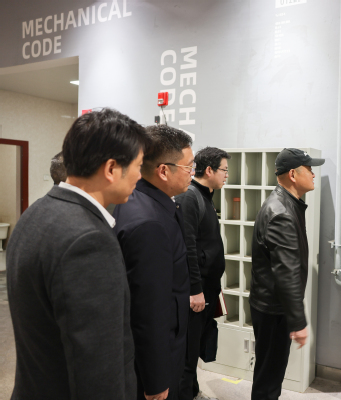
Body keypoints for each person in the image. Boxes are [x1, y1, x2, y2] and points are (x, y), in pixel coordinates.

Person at [6, 108, 149, 399]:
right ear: (111, 169)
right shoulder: (89, 239)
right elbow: (97, 365)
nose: (139, 175)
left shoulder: (36, 212)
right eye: (138, 165)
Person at [113, 125, 194, 400]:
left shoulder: (145, 201)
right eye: (189, 167)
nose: (192, 173)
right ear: (163, 171)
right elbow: (149, 309)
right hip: (155, 357)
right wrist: (157, 379)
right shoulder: (150, 223)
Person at [249, 148, 324, 400]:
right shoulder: (281, 213)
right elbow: (287, 273)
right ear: (293, 174)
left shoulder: (285, 204)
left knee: (269, 373)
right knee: (269, 378)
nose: (313, 174)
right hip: (273, 309)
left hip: (271, 305)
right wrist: (298, 321)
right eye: (309, 169)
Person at [177, 147, 230, 400]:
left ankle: (194, 391)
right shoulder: (190, 197)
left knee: (197, 346)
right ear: (209, 170)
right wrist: (195, 290)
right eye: (224, 170)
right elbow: (188, 248)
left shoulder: (206, 196)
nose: (226, 175)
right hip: (197, 292)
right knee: (188, 352)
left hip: (208, 288)